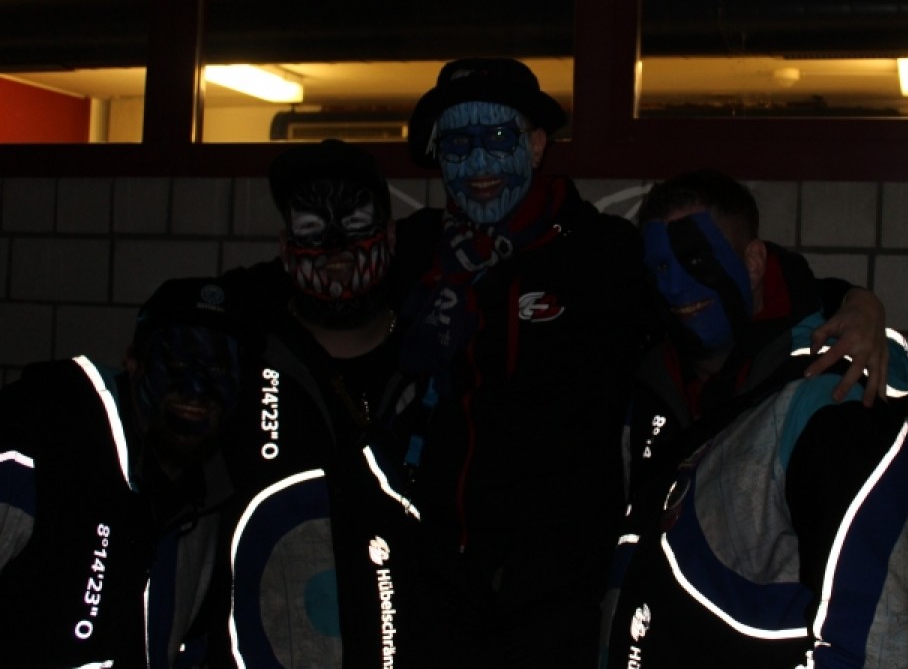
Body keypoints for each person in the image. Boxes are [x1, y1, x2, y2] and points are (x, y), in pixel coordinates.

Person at [600, 170, 908, 668]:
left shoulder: (829, 404)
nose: (674, 285)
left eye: (696, 259)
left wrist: (858, 303)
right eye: (660, 266)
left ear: (755, 262)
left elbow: (888, 636)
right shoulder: (653, 386)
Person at [392, 57, 662, 667]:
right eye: (457, 144)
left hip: (562, 594)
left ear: (537, 145)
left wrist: (854, 304)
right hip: (439, 579)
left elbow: (723, 282)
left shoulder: (602, 253)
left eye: (498, 138)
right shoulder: (418, 252)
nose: (478, 164)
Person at [193, 138, 420, 668]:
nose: (336, 247)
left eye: (356, 224)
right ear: (284, 245)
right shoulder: (241, 365)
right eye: (312, 228)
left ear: (390, 236)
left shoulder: (437, 363)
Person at [0, 276, 257, 668]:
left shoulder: (212, 500)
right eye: (177, 364)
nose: (195, 388)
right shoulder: (42, 435)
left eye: (218, 368)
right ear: (133, 362)